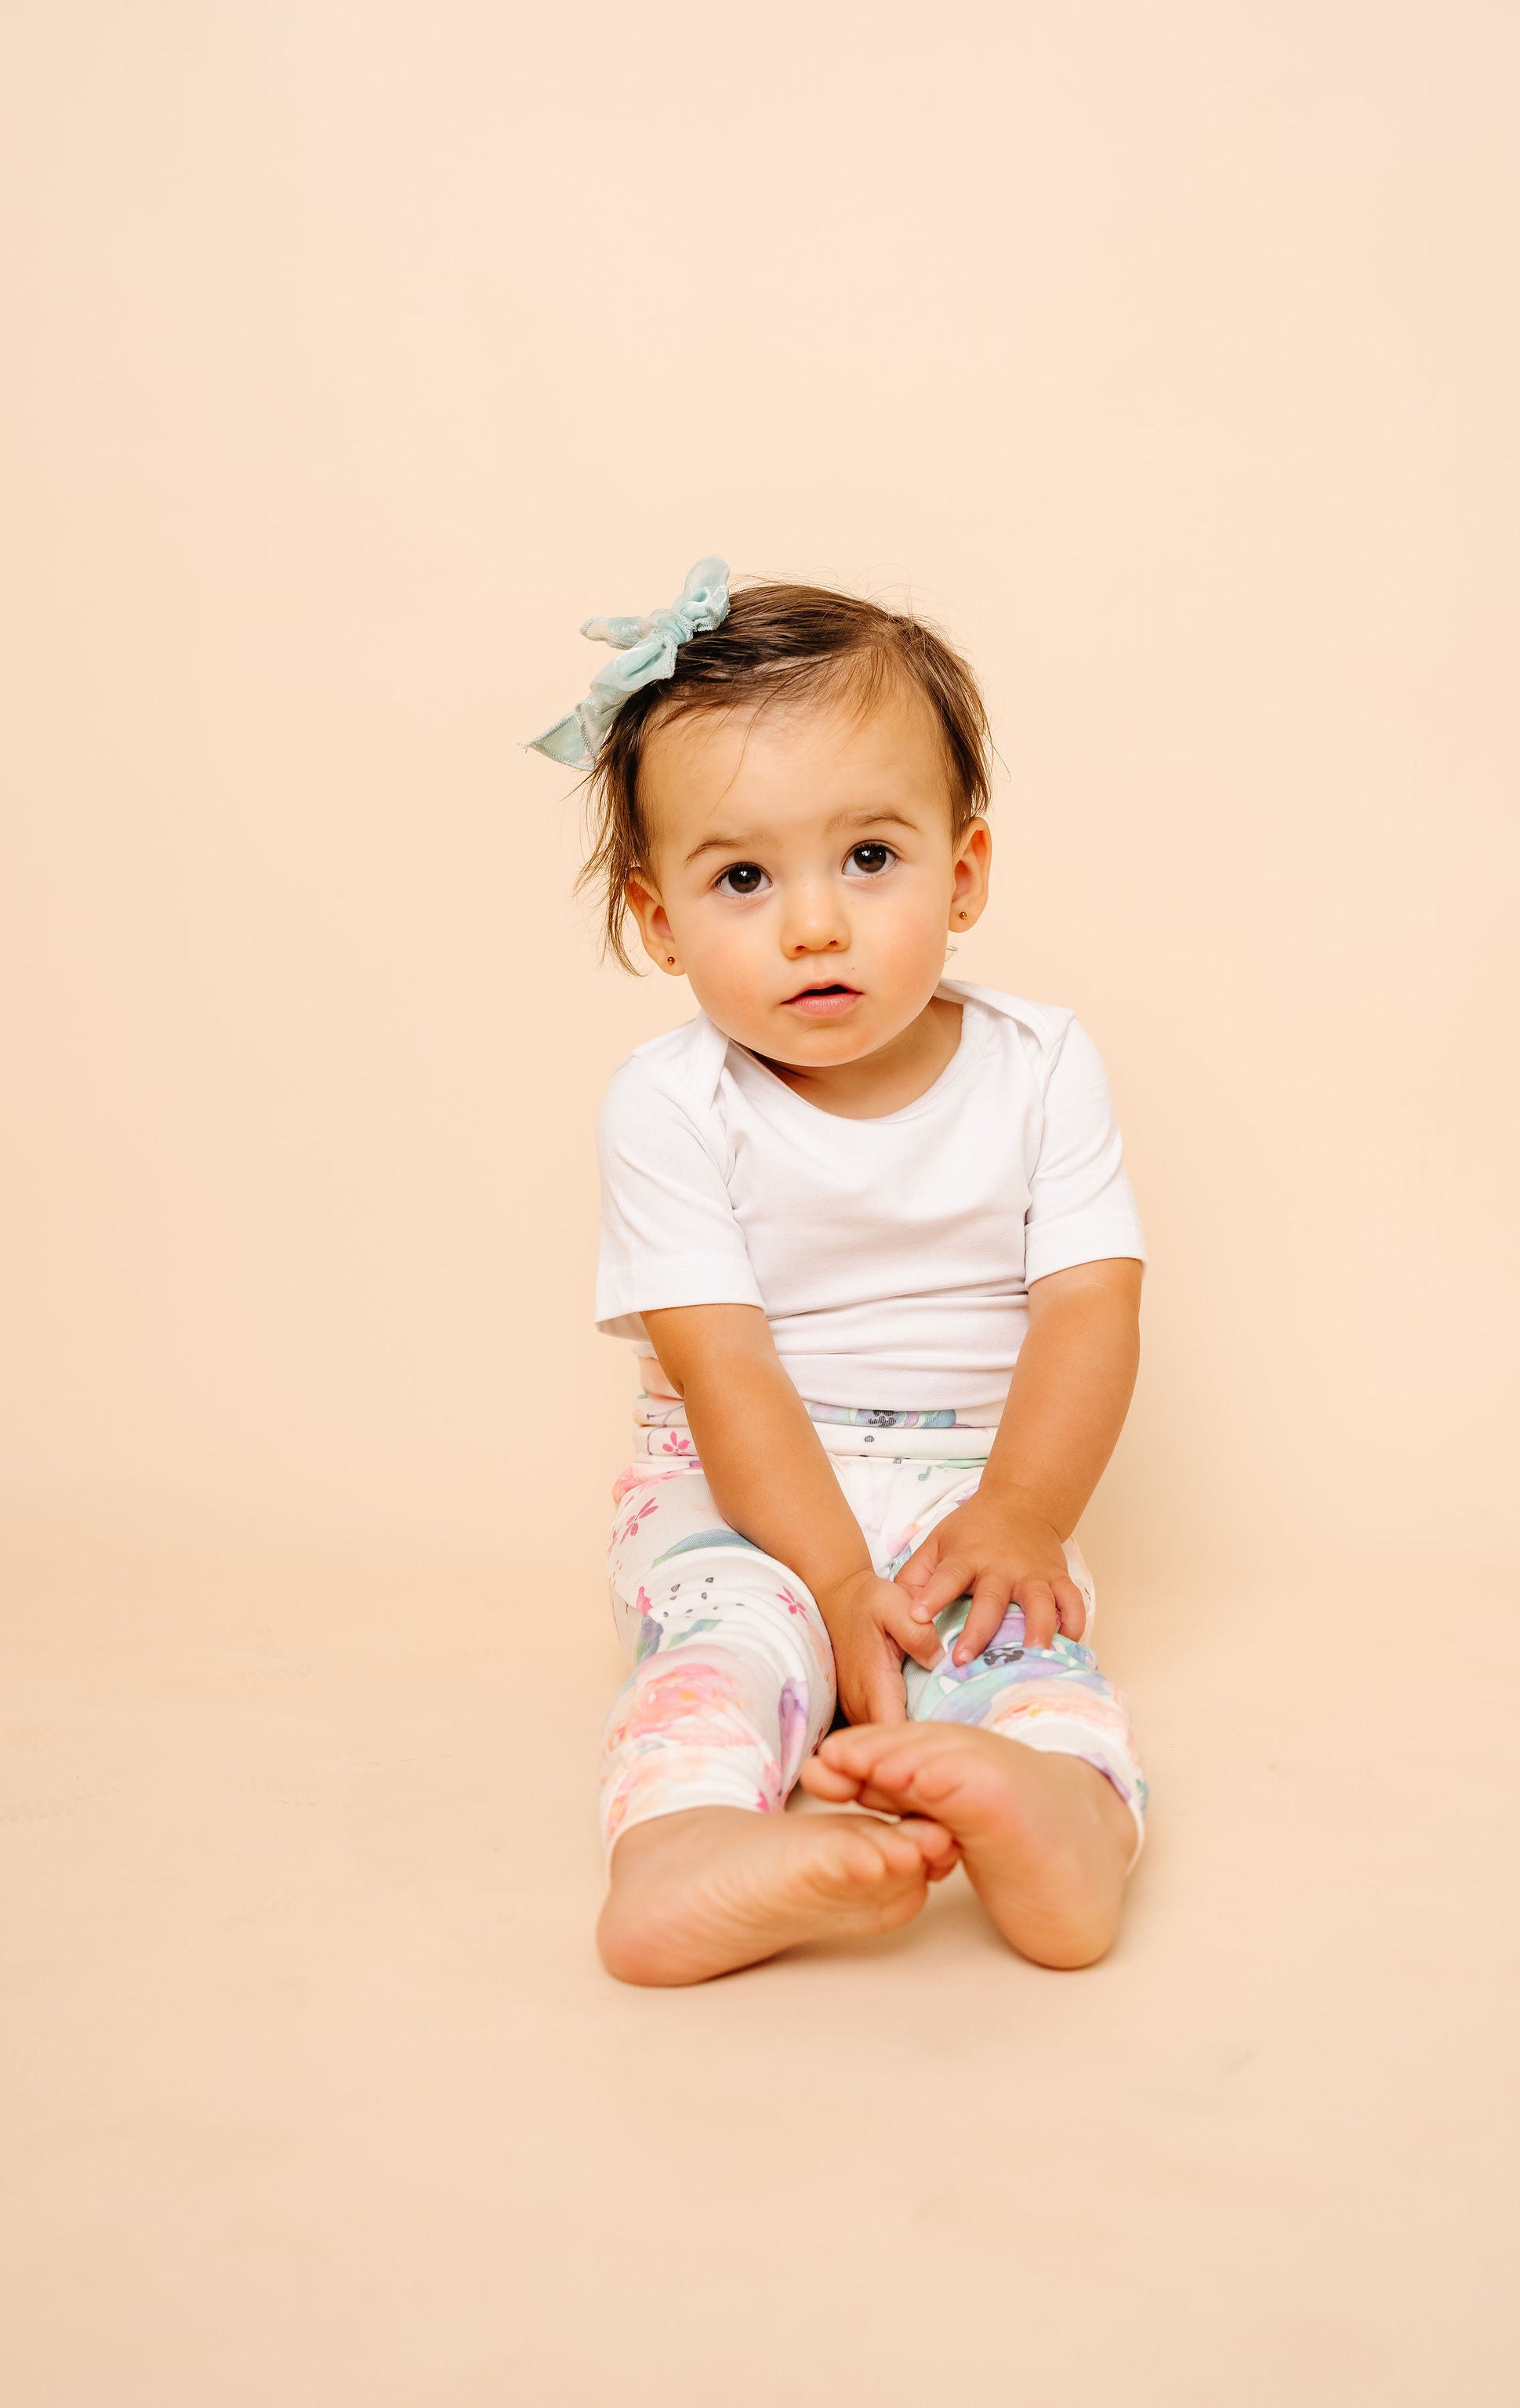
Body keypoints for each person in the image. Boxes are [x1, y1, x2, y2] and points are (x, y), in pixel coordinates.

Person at [529, 559, 1149, 1986]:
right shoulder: (671, 1105)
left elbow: (1089, 1306)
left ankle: (1068, 1816)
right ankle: (681, 1844)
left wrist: (1019, 1513)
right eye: (743, 878)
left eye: (870, 858)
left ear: (963, 873)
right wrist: (827, 1578)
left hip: (974, 1476)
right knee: (724, 1641)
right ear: (659, 921)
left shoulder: (1043, 1067)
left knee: (1015, 1643)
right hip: (734, 1481)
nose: (814, 924)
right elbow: (727, 1367)